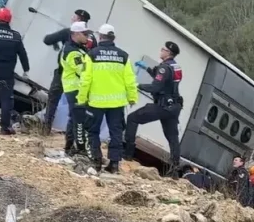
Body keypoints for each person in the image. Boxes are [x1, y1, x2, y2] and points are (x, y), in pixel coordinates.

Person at [77, 23, 137, 173]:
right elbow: (130, 79)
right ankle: (114, 164)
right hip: (117, 103)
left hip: (96, 102)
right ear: (113, 38)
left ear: (100, 37)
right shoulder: (124, 56)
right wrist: (132, 97)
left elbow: (86, 79)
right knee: (115, 132)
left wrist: (81, 98)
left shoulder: (91, 55)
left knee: (92, 131)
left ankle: (96, 161)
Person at [124, 41, 184, 176]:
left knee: (132, 118)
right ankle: (174, 171)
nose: (160, 51)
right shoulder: (175, 66)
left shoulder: (164, 68)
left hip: (162, 106)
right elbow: (164, 80)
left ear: (168, 53)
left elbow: (156, 87)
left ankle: (127, 153)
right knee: (172, 137)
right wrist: (147, 69)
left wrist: (136, 85)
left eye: (163, 49)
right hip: (174, 107)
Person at [42, 9, 91, 129]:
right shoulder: (90, 38)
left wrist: (56, 43)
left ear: (78, 20)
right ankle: (76, 132)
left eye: (74, 17)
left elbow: (47, 39)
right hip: (81, 78)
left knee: (53, 99)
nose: (72, 18)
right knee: (78, 107)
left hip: (65, 74)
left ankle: (46, 127)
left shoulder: (69, 33)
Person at [60, 21, 91, 154]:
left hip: (75, 88)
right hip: (75, 89)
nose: (87, 37)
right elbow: (82, 70)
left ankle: (68, 146)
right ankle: (80, 148)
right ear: (76, 34)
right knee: (79, 119)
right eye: (85, 34)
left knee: (74, 117)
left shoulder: (78, 48)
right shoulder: (72, 52)